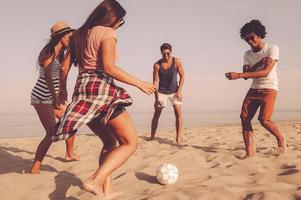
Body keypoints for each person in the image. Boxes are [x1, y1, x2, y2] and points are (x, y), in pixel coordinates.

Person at [52, 0, 155, 198]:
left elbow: (64, 68)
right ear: (111, 18)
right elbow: (109, 67)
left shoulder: (77, 35)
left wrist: (62, 90)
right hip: (101, 90)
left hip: (82, 91)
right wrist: (140, 83)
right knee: (130, 143)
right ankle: (95, 180)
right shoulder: (107, 32)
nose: (119, 25)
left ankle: (106, 189)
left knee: (109, 142)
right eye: (120, 21)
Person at [225, 19, 286, 158]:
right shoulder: (247, 54)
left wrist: (239, 75)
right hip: (254, 88)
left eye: (252, 38)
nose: (250, 41)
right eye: (246, 39)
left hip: (269, 87)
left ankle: (281, 139)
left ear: (259, 35)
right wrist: (259, 62)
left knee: (264, 120)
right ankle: (249, 152)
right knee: (245, 118)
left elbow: (265, 72)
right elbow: (247, 75)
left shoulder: (272, 49)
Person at [30, 21, 79, 174]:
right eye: (68, 35)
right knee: (51, 133)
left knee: (71, 121)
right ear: (60, 36)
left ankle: (69, 154)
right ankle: (35, 168)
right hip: (42, 97)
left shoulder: (62, 53)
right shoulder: (48, 52)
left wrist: (62, 91)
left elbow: (63, 73)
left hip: (53, 96)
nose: (71, 38)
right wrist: (54, 96)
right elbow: (48, 77)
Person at [150, 43, 185, 144]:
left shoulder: (177, 61)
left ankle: (178, 137)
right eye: (164, 53)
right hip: (161, 92)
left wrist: (179, 91)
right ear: (161, 53)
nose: (166, 55)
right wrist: (156, 99)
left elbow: (182, 76)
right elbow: (155, 82)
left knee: (178, 113)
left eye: (168, 53)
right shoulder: (157, 65)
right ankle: (152, 136)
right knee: (157, 113)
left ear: (171, 52)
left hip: (174, 91)